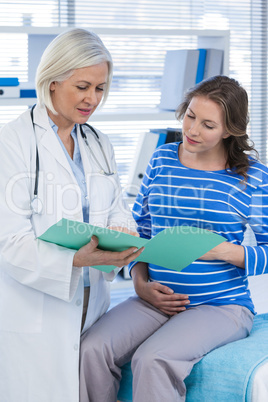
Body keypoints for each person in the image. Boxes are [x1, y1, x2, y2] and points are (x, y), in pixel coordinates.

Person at [79, 75, 268, 402]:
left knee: (153, 359)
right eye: (190, 116)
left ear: (229, 130)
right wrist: (140, 283)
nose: (192, 130)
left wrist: (226, 252)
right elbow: (141, 230)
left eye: (208, 124)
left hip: (220, 307)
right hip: (154, 299)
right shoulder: (162, 159)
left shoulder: (252, 177)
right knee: (91, 349)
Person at [0, 28, 143, 402]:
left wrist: (121, 235)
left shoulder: (97, 142)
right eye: (82, 86)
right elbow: (9, 242)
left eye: (100, 88)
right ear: (52, 80)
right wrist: (75, 258)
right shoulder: (11, 144)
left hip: (91, 306)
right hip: (37, 308)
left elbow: (118, 210)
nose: (92, 99)